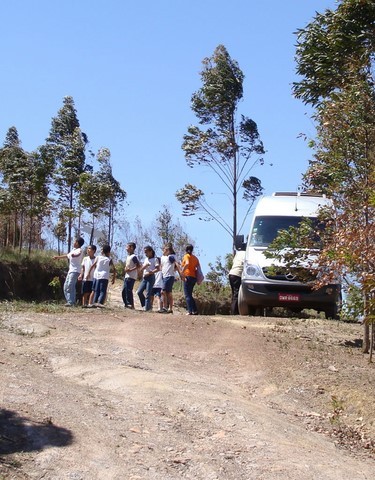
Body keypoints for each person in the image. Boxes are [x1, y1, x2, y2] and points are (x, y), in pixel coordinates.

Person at [53, 237, 85, 306]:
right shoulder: (73, 250)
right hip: (71, 271)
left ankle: (71, 302)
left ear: (77, 243)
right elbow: (67, 256)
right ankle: (69, 301)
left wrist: (75, 255)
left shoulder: (80, 250)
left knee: (71, 285)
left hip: (75, 270)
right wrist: (58, 257)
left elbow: (78, 254)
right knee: (65, 286)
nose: (73, 242)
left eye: (75, 241)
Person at [158, 243, 181, 314]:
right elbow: (161, 266)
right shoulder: (163, 257)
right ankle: (170, 308)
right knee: (168, 293)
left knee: (163, 291)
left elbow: (177, 264)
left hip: (169, 276)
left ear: (167, 250)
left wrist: (180, 273)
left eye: (164, 250)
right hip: (164, 276)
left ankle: (165, 307)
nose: (163, 251)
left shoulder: (171, 257)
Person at [137, 246, 160, 311]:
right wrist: (144, 266)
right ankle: (147, 305)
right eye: (145, 252)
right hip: (145, 277)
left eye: (146, 252)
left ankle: (147, 309)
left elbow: (158, 269)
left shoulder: (155, 259)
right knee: (139, 292)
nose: (145, 253)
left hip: (151, 277)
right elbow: (141, 269)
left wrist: (151, 272)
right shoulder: (146, 259)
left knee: (148, 293)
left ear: (151, 251)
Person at [180, 244, 200, 315]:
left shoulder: (186, 256)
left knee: (187, 295)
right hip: (194, 277)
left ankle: (190, 311)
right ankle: (195, 310)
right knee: (190, 295)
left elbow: (187, 263)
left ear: (186, 250)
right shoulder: (195, 258)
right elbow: (198, 268)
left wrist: (182, 272)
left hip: (187, 276)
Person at [122, 242, 140, 309]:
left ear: (131, 248)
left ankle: (130, 304)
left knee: (128, 290)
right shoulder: (128, 256)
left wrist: (130, 270)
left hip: (131, 276)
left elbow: (138, 265)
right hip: (127, 275)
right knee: (124, 290)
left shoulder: (134, 257)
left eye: (127, 247)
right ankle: (126, 304)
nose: (126, 248)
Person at [229, 249, 246, 315]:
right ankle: (234, 313)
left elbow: (234, 261)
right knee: (237, 294)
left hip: (231, 273)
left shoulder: (239, 253)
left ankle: (233, 311)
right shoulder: (247, 253)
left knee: (234, 294)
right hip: (238, 274)